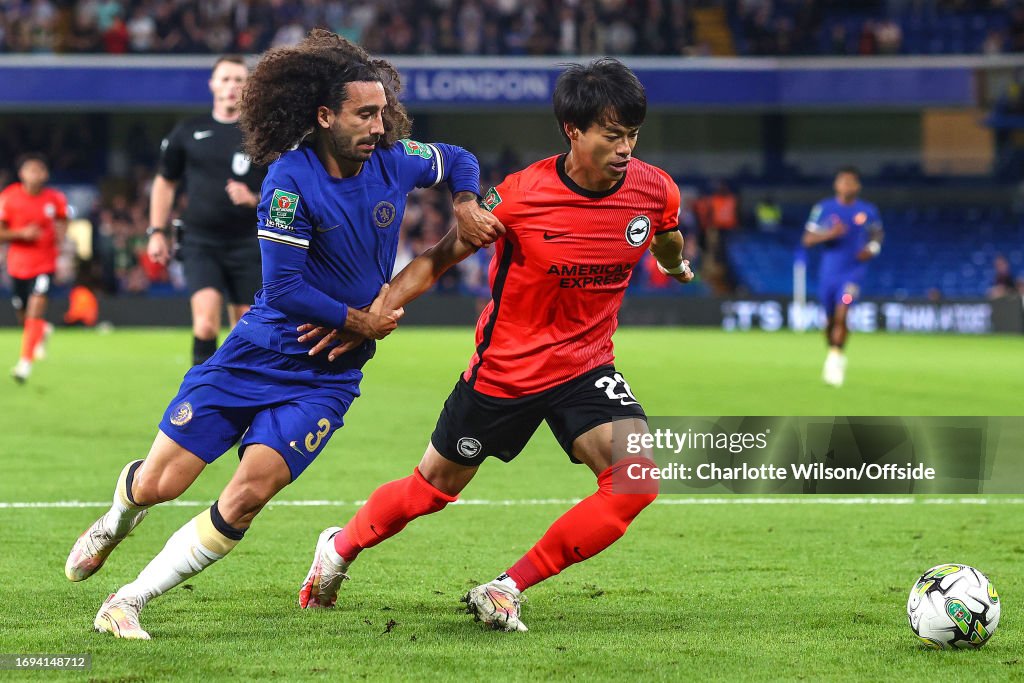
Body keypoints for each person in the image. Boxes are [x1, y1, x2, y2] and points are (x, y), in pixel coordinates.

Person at [63, 29, 502, 640]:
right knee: (161, 484)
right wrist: (361, 322)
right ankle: (117, 519)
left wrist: (466, 201)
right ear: (324, 116)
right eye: (364, 114)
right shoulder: (289, 180)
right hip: (258, 353)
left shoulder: (395, 160)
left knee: (248, 495)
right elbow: (285, 287)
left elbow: (457, 158)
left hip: (326, 377)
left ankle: (128, 601)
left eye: (382, 112)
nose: (379, 127)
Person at [296, 58, 693, 632]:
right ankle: (339, 548)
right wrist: (371, 313)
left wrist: (675, 265)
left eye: (632, 134)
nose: (626, 148)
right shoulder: (521, 196)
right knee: (430, 491)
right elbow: (436, 259)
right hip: (506, 373)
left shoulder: (654, 188)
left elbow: (667, 234)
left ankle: (506, 587)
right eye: (612, 135)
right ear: (573, 130)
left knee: (635, 482)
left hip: (587, 366)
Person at [146, 55, 268, 366]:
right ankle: (200, 392)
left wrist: (254, 198)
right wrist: (157, 231)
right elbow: (165, 182)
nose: (231, 86)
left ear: (249, 86)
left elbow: (285, 188)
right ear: (212, 84)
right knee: (205, 325)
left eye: (238, 79)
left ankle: (240, 391)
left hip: (249, 243)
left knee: (247, 330)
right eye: (225, 79)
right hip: (201, 242)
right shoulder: (189, 131)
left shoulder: (262, 134)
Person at [802, 167, 883, 387]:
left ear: (857, 186)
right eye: (843, 182)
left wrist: (872, 248)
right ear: (836, 185)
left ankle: (835, 359)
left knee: (843, 311)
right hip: (829, 273)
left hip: (853, 273)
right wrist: (830, 234)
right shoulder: (824, 208)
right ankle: (833, 352)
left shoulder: (867, 211)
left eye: (850, 182)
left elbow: (877, 234)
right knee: (830, 320)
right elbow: (807, 239)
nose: (846, 186)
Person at [0, 154, 67, 383]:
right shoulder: (8, 198)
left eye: (40, 170)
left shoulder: (55, 199)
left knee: (35, 308)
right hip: (17, 265)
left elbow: (63, 220)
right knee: (24, 314)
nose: (36, 175)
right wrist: (21, 233)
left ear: (46, 174)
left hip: (44, 263)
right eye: (31, 170)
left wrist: (61, 237)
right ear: (22, 174)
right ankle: (42, 330)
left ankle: (24, 363)